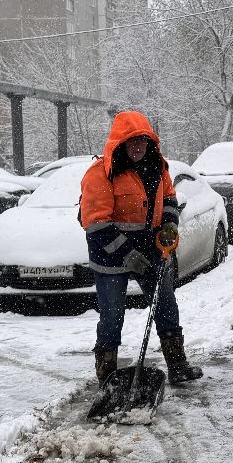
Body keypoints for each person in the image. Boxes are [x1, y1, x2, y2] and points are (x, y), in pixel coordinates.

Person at [79, 111, 203, 386]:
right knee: (112, 314)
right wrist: (128, 254)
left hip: (152, 250)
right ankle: (107, 373)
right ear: (120, 143)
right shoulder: (101, 173)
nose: (137, 148)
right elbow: (97, 223)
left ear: (150, 143)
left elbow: (169, 197)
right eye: (132, 142)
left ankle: (178, 364)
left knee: (166, 306)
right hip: (110, 255)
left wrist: (169, 225)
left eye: (142, 142)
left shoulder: (158, 168)